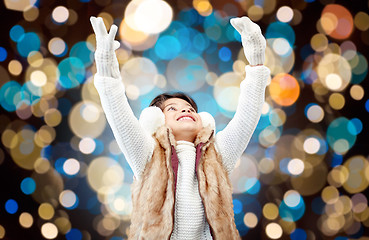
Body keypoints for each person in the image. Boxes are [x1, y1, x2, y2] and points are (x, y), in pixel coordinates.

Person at [90, 15, 270, 240]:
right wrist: (106, 71)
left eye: (189, 108)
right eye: (172, 109)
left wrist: (256, 63)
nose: (185, 111)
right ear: (156, 120)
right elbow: (119, 116)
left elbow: (247, 117)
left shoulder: (217, 154)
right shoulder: (148, 154)